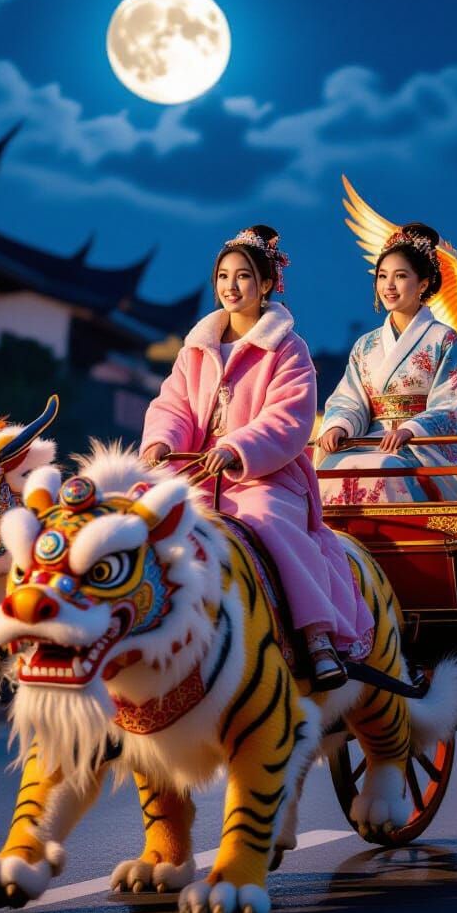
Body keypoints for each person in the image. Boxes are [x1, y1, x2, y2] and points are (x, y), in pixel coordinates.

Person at [141, 225, 372, 690]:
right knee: (145, 515)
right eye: (224, 275)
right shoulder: (195, 349)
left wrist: (236, 448)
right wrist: (161, 441)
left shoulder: (288, 349)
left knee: (269, 521)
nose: (231, 286)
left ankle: (316, 636)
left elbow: (289, 418)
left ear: (266, 284)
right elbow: (174, 404)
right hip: (197, 471)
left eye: (243, 276)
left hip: (265, 474)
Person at [316, 222, 457, 504]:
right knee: (329, 470)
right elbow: (350, 398)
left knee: (385, 469)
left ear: (423, 284)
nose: (388, 286)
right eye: (382, 276)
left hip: (420, 448)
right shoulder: (366, 345)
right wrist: (339, 426)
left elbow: (453, 404)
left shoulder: (445, 339)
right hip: (368, 442)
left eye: (400, 276)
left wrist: (411, 430)